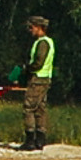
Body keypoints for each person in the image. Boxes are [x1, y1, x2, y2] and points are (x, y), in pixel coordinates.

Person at [22, 15, 55, 151]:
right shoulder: (49, 42)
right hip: (45, 78)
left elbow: (38, 62)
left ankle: (30, 140)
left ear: (39, 27)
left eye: (32, 27)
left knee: (28, 107)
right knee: (40, 109)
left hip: (37, 79)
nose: (30, 30)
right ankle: (40, 139)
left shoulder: (42, 43)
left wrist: (27, 69)